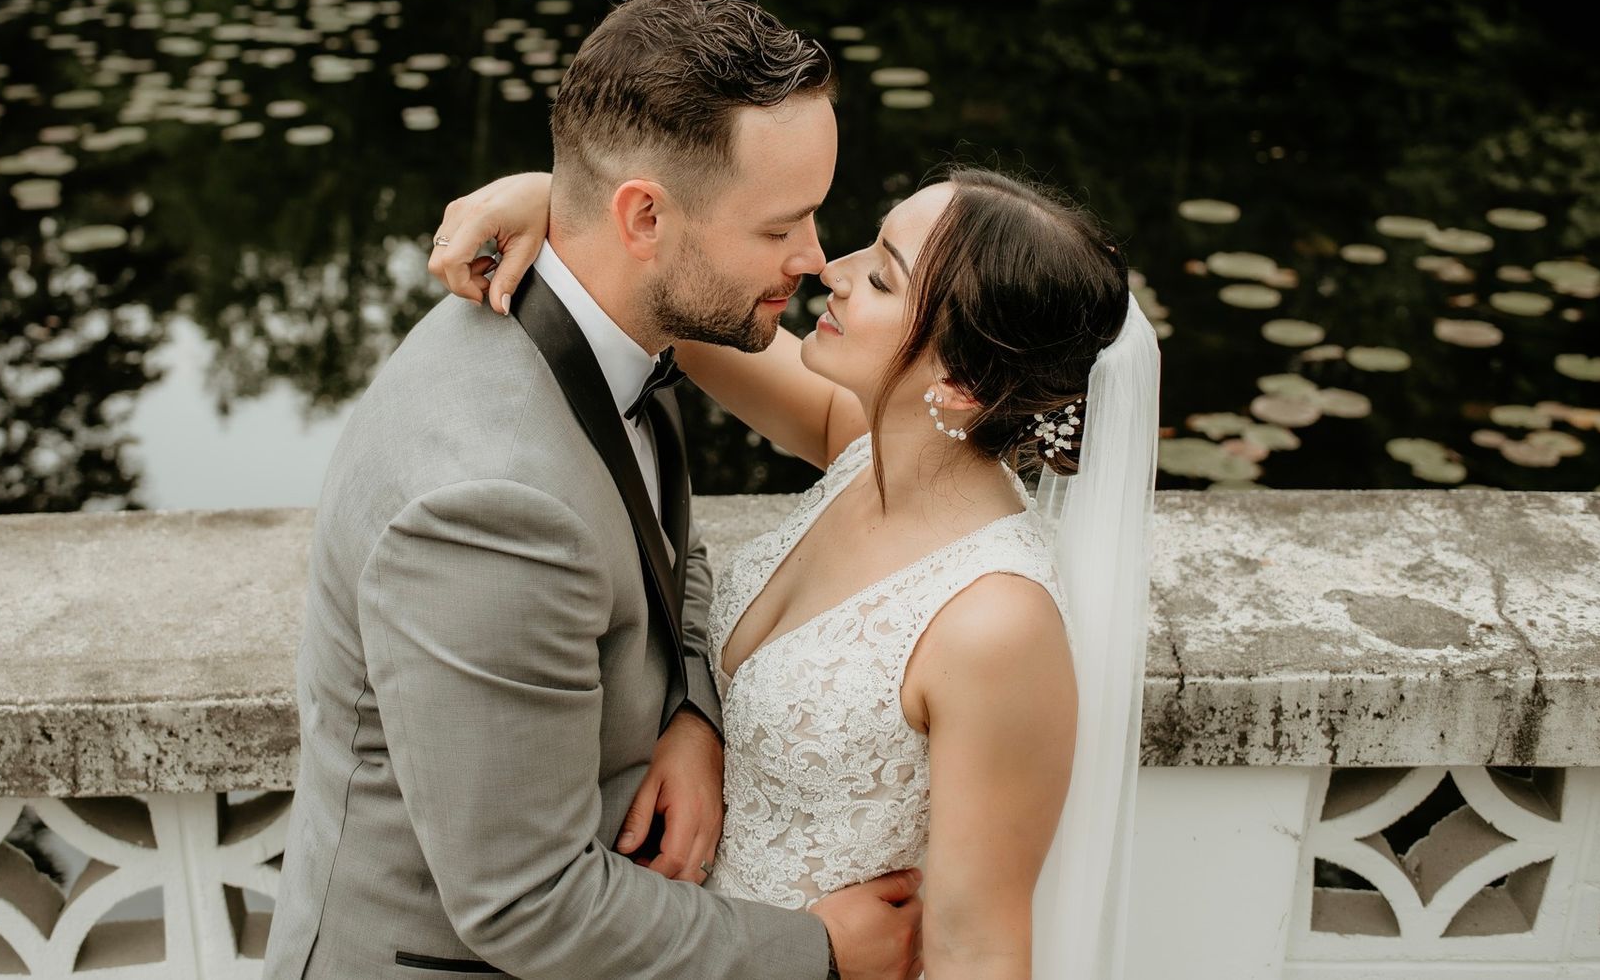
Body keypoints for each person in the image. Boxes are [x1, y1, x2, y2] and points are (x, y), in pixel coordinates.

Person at [264, 0, 924, 980]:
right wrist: (820, 950)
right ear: (644, 216)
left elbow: (667, 556)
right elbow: (525, 905)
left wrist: (693, 708)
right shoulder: (489, 508)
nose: (814, 257)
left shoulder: (614, 321)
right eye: (779, 225)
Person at [430, 158, 1160, 978]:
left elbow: (977, 948)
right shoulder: (863, 447)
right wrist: (561, 201)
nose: (831, 272)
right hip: (678, 949)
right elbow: (668, 299)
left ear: (959, 383)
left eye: (882, 279)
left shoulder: (995, 624)